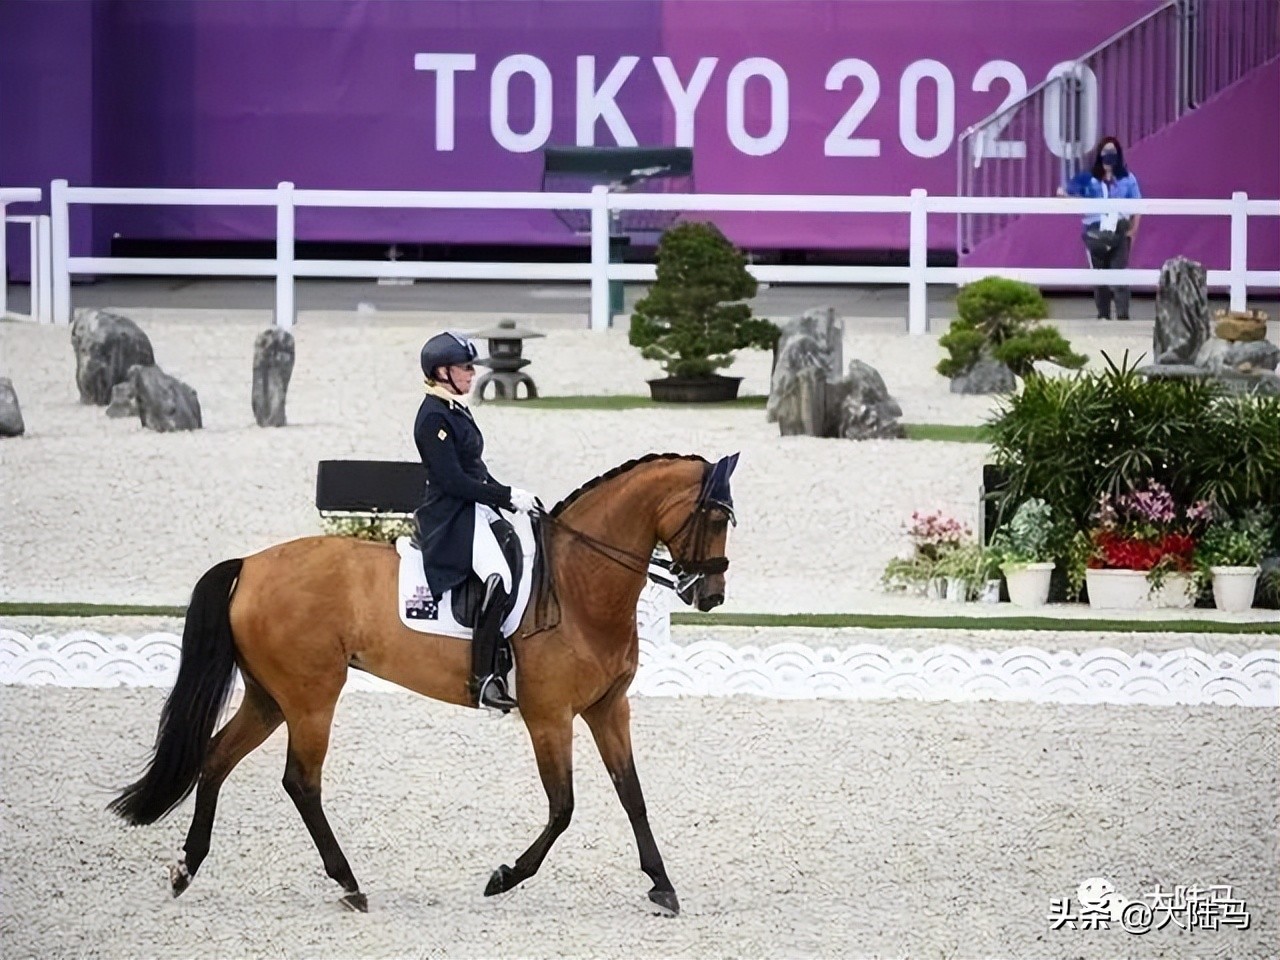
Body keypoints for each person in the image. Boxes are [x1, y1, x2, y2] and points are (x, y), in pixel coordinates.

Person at [413, 331, 536, 711]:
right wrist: (503, 496)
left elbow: (476, 470)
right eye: (465, 367)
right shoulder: (432, 417)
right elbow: (453, 481)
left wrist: (511, 496)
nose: (472, 373)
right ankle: (483, 678)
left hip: (472, 507)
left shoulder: (455, 409)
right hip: (451, 515)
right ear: (443, 372)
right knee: (498, 577)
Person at [1058, 136, 1142, 320]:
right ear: (1099, 154)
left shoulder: (1128, 179)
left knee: (1119, 275)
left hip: (1119, 230)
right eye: (1105, 151)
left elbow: (1137, 206)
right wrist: (1067, 196)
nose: (1109, 155)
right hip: (1094, 231)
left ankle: (1123, 317)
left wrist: (1133, 231)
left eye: (1113, 151)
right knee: (1099, 276)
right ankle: (1103, 315)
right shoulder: (1088, 178)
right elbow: (1066, 193)